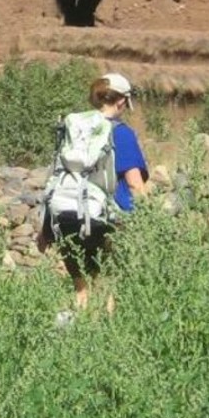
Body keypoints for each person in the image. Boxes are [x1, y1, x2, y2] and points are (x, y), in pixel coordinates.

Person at [38, 72, 149, 310]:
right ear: (122, 101)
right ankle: (106, 329)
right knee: (108, 290)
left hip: (68, 216)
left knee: (82, 292)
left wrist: (45, 228)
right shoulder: (120, 133)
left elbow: (56, 175)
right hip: (108, 220)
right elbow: (134, 184)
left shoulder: (75, 129)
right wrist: (151, 220)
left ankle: (78, 328)